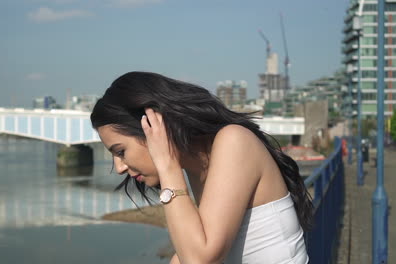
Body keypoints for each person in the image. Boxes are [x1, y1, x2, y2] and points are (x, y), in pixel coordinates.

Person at [91, 71, 313, 264]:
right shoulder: (200, 166)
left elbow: (202, 259)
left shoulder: (233, 141)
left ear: (152, 128)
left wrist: (168, 167)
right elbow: (191, 253)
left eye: (120, 152)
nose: (119, 167)